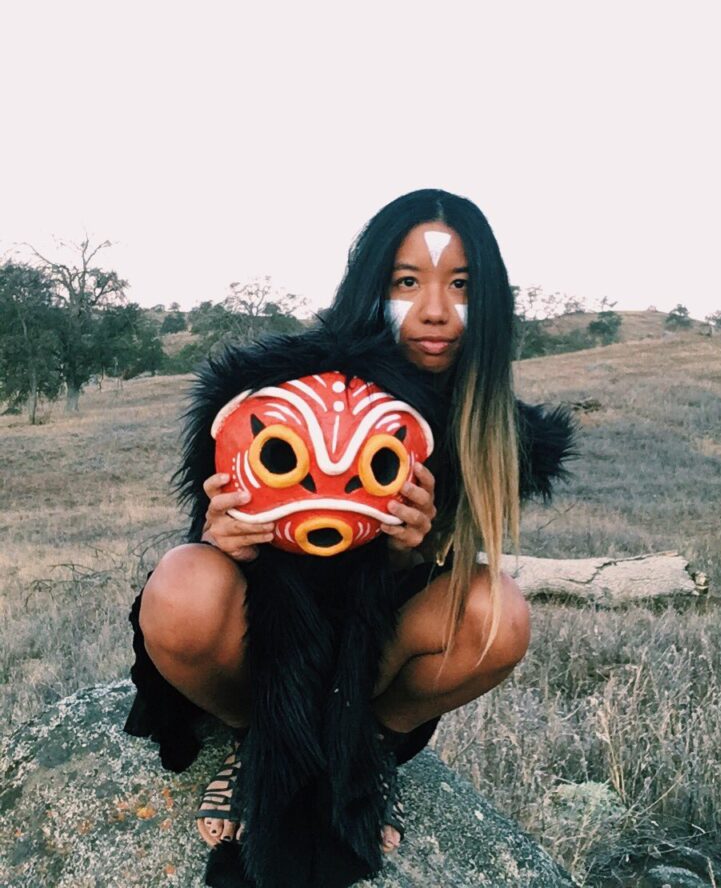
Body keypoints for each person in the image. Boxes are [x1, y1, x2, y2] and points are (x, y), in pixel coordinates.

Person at [133, 189, 566, 867]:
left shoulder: (487, 430)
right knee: (183, 586)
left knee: (496, 615)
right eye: (407, 281)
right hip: (268, 635)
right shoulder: (285, 390)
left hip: (371, 659)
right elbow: (236, 542)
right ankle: (259, 740)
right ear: (371, 286)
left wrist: (407, 551)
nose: (434, 310)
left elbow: (411, 595)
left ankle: (366, 745)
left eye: (461, 285)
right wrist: (222, 539)